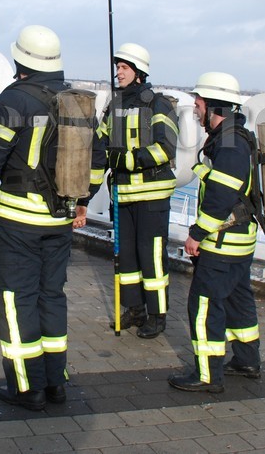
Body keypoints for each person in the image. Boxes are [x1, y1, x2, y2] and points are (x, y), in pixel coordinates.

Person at [0, 25, 102, 411]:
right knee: (51, 297)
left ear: (20, 59)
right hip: (59, 221)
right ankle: (55, 382)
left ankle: (27, 387)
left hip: (19, 221)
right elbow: (97, 161)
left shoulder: (12, 101)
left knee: (15, 299)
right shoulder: (77, 101)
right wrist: (81, 200)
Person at [168, 72, 261, 393]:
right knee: (238, 300)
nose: (195, 111)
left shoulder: (230, 143)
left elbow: (221, 197)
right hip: (240, 242)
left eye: (198, 104)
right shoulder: (237, 136)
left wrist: (196, 233)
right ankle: (247, 359)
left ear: (214, 105)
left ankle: (207, 375)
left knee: (204, 305)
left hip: (222, 243)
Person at [99, 43, 178, 338]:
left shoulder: (158, 104)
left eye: (124, 68)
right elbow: (100, 142)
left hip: (152, 196)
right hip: (122, 195)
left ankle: (157, 315)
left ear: (139, 73)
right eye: (117, 67)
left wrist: (125, 160)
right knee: (127, 257)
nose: (118, 73)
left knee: (151, 255)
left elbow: (164, 148)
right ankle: (134, 309)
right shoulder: (115, 106)